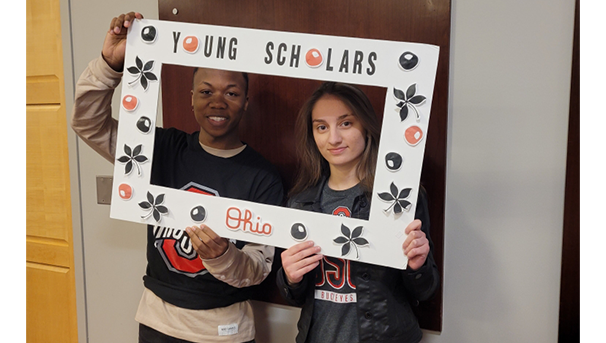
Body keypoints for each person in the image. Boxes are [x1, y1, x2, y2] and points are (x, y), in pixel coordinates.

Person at [71, 12, 284, 343]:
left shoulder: (263, 177)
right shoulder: (159, 148)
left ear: (245, 103)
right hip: (157, 321)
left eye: (231, 93)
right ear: (191, 99)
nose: (217, 102)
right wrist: (109, 65)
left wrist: (222, 256)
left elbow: (258, 268)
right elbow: (89, 124)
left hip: (224, 329)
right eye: (206, 91)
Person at [276, 82, 439, 343]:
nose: (333, 139)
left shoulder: (400, 197)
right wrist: (290, 277)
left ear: (366, 126)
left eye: (346, 124)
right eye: (321, 127)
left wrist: (416, 264)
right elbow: (294, 295)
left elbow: (426, 289)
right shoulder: (300, 202)